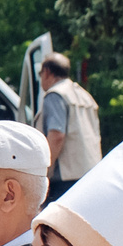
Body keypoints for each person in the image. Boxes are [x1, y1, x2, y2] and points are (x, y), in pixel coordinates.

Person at [36, 54, 101, 201]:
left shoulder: (55, 95)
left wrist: (43, 174)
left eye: (40, 74)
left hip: (65, 182)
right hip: (90, 176)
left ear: (47, 72)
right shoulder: (84, 95)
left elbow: (57, 136)